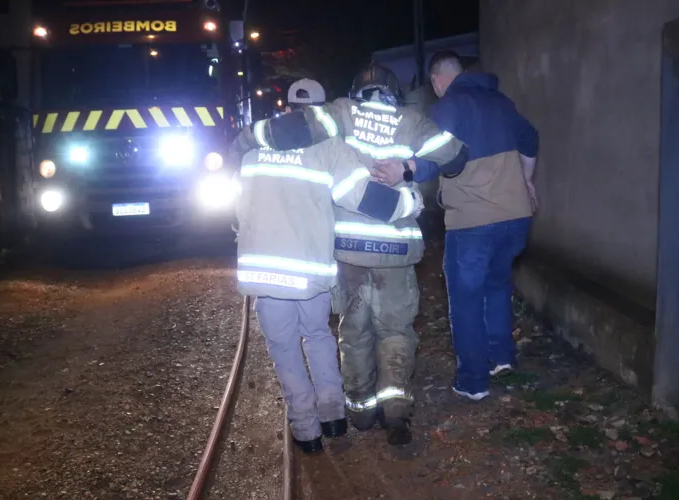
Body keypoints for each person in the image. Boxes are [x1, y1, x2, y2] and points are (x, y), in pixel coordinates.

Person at [230, 62, 467, 446]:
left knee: (349, 333)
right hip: (390, 251)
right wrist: (409, 175)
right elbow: (455, 158)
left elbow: (283, 142)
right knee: (392, 330)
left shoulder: (338, 116)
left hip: (339, 253)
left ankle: (352, 412)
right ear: (394, 91)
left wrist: (243, 141)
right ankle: (392, 411)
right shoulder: (411, 121)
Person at [372, 50, 540, 402]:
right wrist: (527, 181)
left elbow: (438, 156)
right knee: (496, 286)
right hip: (516, 219)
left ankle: (473, 381)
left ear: (436, 80)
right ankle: (501, 357)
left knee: (465, 299)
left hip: (474, 222)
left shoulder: (450, 105)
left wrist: (403, 170)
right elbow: (531, 139)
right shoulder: (501, 102)